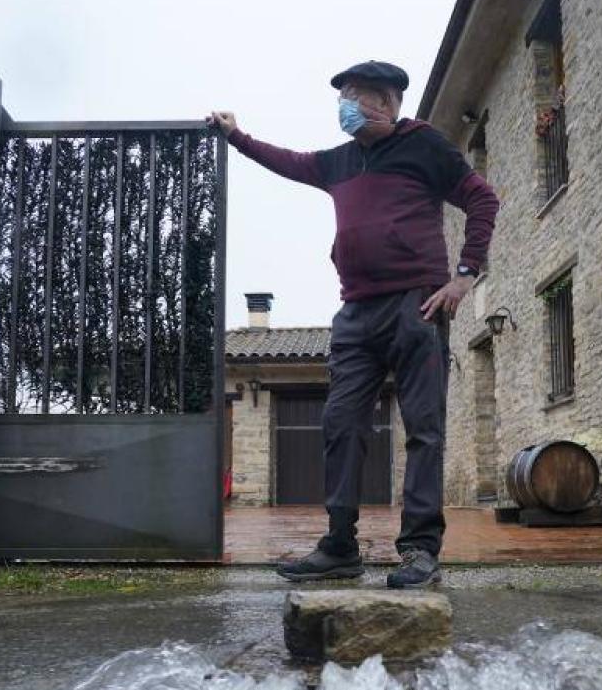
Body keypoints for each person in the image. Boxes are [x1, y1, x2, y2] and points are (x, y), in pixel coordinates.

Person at [208, 60, 499, 588]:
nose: (343, 107)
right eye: (340, 97)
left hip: (418, 307)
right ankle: (340, 546)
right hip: (356, 313)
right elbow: (290, 161)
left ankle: (419, 551)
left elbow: (482, 197)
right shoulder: (340, 161)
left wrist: (464, 277)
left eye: (355, 96)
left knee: (425, 430)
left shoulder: (424, 145)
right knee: (341, 425)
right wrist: (235, 136)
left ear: (386, 103)